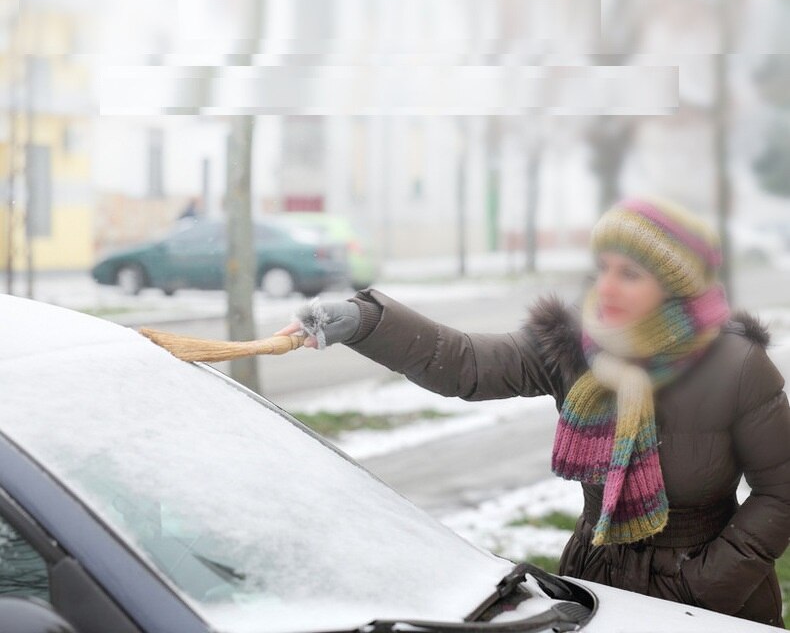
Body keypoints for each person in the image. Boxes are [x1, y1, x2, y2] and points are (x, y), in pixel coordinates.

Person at [274, 195, 790, 627]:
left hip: (714, 600)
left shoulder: (736, 366)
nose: (604, 288)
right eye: (602, 268)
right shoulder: (572, 347)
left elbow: (781, 490)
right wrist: (363, 321)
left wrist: (706, 581)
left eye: (629, 274)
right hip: (596, 583)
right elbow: (466, 363)